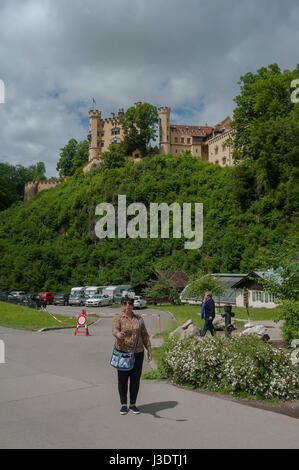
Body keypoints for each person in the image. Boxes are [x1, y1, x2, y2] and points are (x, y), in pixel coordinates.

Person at [112, 297, 152, 415]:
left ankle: (133, 404)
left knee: (135, 380)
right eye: (125, 303)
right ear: (122, 305)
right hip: (123, 353)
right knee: (122, 379)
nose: (128, 305)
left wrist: (149, 349)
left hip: (138, 353)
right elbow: (114, 329)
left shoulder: (139, 319)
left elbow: (144, 334)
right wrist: (118, 334)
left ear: (133, 305)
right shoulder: (118, 318)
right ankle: (123, 404)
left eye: (130, 303)